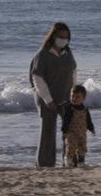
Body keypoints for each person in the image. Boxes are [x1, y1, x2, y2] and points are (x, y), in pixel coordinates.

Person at [29, 22, 77, 167]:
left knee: (70, 130)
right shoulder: (42, 55)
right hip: (46, 98)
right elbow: (37, 79)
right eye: (61, 36)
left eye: (66, 37)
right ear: (53, 36)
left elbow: (73, 72)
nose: (64, 40)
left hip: (66, 97)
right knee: (48, 132)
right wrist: (48, 100)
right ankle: (45, 163)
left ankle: (69, 161)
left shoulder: (68, 53)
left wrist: (75, 93)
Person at [61, 84, 95, 167]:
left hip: (82, 132)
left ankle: (81, 162)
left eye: (77, 97)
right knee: (70, 147)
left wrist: (91, 129)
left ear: (83, 98)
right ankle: (68, 160)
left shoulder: (85, 109)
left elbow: (88, 120)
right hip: (71, 132)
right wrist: (64, 131)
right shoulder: (69, 108)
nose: (74, 99)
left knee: (82, 147)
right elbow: (65, 120)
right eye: (72, 96)